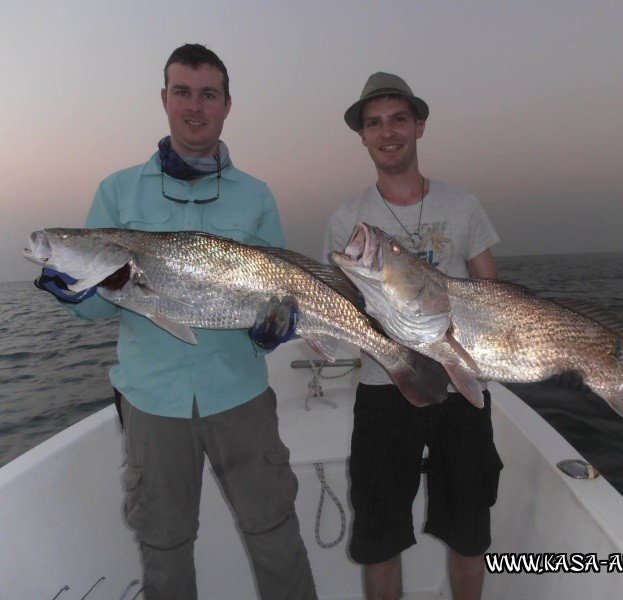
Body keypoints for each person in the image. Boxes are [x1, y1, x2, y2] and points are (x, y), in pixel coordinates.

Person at [33, 44, 317, 600]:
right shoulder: (117, 192)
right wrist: (72, 287)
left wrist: (273, 331)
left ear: (226, 105)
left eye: (208, 94)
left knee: (275, 535)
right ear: (164, 99)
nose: (194, 105)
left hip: (241, 398)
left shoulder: (256, 196)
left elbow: (280, 299)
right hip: (152, 405)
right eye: (182, 92)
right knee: (163, 547)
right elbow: (98, 304)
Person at [322, 72, 503, 600]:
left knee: (469, 528)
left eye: (398, 119)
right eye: (374, 123)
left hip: (461, 388)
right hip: (383, 390)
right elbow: (340, 309)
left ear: (418, 126)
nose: (387, 132)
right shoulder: (347, 221)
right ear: (362, 136)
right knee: (380, 536)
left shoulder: (462, 205)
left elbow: (490, 289)